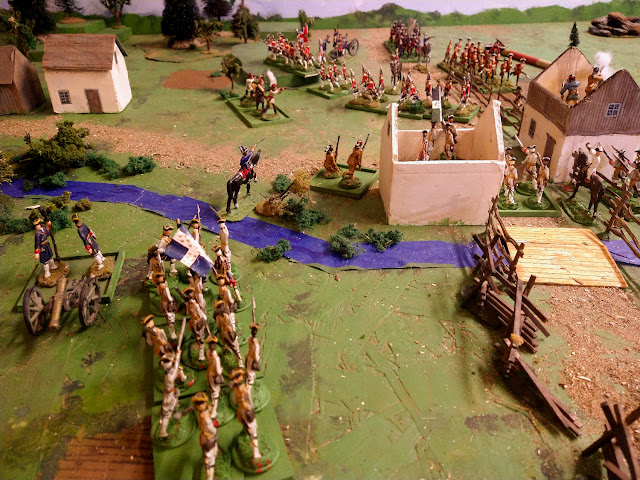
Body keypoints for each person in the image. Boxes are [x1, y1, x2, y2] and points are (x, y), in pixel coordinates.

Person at [230, 369, 261, 462]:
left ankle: (256, 453)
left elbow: (235, 401)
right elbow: (249, 402)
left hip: (245, 411)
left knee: (252, 433)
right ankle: (255, 452)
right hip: (245, 411)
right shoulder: (243, 389)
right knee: (251, 431)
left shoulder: (238, 389)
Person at [192, 392, 218, 480]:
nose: (204, 404)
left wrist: (210, 407)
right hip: (209, 438)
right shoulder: (206, 419)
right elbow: (212, 430)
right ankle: (209, 477)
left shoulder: (200, 414)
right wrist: (215, 431)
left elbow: (208, 409)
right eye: (202, 403)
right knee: (211, 460)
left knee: (209, 455)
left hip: (204, 437)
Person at [158, 347, 183, 439]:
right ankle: (163, 432)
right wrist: (178, 355)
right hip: (168, 396)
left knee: (177, 395)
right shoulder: (169, 376)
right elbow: (176, 368)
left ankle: (176, 407)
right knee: (166, 416)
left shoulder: (168, 372)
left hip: (170, 393)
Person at [184, 287, 208, 362]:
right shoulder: (196, 305)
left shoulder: (188, 304)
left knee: (197, 336)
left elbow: (188, 313)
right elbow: (201, 314)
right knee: (201, 338)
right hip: (198, 322)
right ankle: (201, 355)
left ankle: (198, 345)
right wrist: (204, 318)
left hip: (192, 322)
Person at [205, 336, 224, 418]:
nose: (211, 346)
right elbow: (218, 371)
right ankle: (213, 410)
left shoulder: (209, 353)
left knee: (213, 391)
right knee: (214, 392)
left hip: (210, 374)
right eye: (211, 344)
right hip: (213, 376)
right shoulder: (216, 358)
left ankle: (213, 408)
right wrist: (221, 369)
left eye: (212, 344)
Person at [155, 273, 178, 340]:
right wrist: (172, 299)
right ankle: (172, 333)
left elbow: (158, 293)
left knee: (167, 316)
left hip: (163, 303)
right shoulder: (166, 288)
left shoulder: (159, 287)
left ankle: (172, 331)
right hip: (168, 304)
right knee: (171, 318)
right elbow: (170, 298)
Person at [245, 323, 261, 393]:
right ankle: (248, 390)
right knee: (251, 374)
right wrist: (258, 357)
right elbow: (256, 356)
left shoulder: (249, 339)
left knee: (249, 371)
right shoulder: (256, 344)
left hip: (249, 357)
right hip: (252, 360)